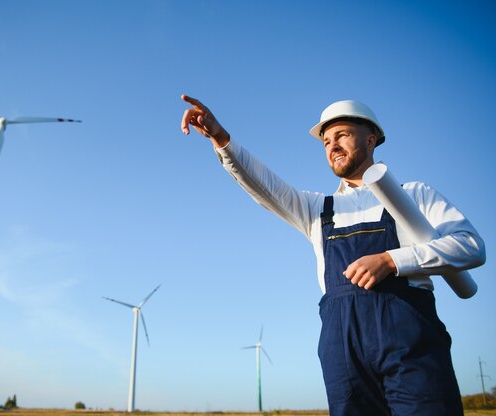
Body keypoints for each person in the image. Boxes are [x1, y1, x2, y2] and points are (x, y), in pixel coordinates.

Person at [180, 95, 486, 415]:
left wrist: (391, 261)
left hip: (410, 343)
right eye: (326, 141)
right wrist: (220, 138)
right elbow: (262, 183)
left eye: (341, 135)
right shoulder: (317, 209)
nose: (332, 146)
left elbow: (470, 246)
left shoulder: (414, 195)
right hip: (343, 351)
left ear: (371, 139)